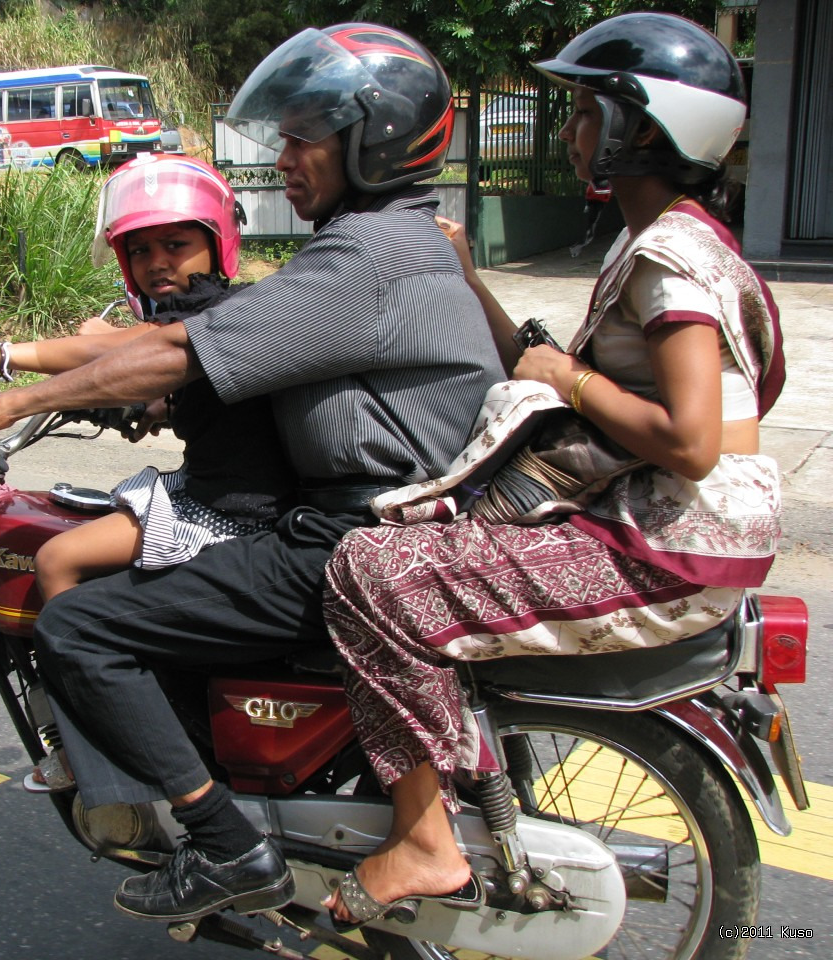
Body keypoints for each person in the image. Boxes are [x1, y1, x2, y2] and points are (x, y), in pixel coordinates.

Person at [0, 23, 503, 922]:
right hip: (377, 518)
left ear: (372, 141)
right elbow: (186, 361)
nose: (284, 157)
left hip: (346, 537)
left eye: (304, 136)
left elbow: (171, 348)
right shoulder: (392, 244)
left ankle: (227, 848)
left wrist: (2, 402)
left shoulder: (365, 257)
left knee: (78, 626)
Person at [321, 12, 785, 927]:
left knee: (369, 574)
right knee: (419, 551)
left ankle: (423, 839)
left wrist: (567, 374)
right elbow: (564, 378)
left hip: (667, 544)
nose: (569, 131)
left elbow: (688, 439)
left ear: (638, 129)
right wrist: (471, 280)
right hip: (672, 529)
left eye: (581, 112)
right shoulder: (676, 237)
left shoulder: (669, 262)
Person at [0, 154, 294, 606]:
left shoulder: (219, 310)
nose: (156, 262)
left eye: (175, 245)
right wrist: (160, 406)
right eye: (140, 250)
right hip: (217, 493)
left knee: (56, 558)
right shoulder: (209, 312)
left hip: (232, 514)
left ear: (216, 241)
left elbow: (127, 350)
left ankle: (75, 667)